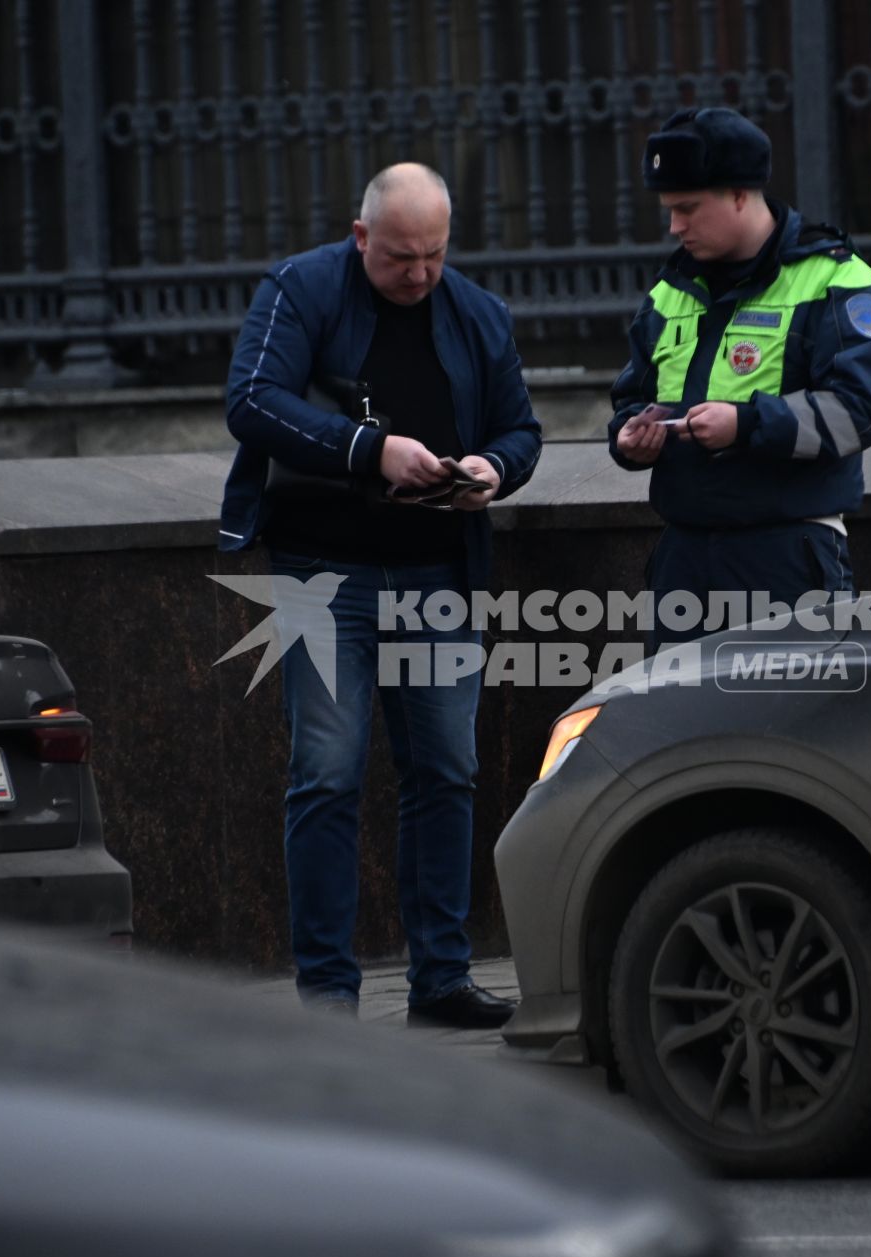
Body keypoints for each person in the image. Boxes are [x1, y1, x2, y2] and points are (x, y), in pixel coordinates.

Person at [219, 163, 541, 1026]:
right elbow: (250, 402)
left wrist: (490, 468)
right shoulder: (301, 287)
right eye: (401, 257)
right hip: (323, 574)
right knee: (325, 773)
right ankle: (327, 997)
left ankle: (440, 979)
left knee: (448, 770)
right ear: (362, 237)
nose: (418, 274)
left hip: (438, 574)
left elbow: (521, 428)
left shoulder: (475, 312)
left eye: (434, 254)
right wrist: (371, 448)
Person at [607, 107, 871, 650]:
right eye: (669, 210)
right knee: (676, 732)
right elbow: (633, 397)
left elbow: (861, 411)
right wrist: (630, 439)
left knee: (790, 729)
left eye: (688, 208)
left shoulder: (834, 278)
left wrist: (746, 424)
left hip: (788, 558)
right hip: (684, 562)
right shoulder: (671, 291)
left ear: (740, 194)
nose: (674, 226)